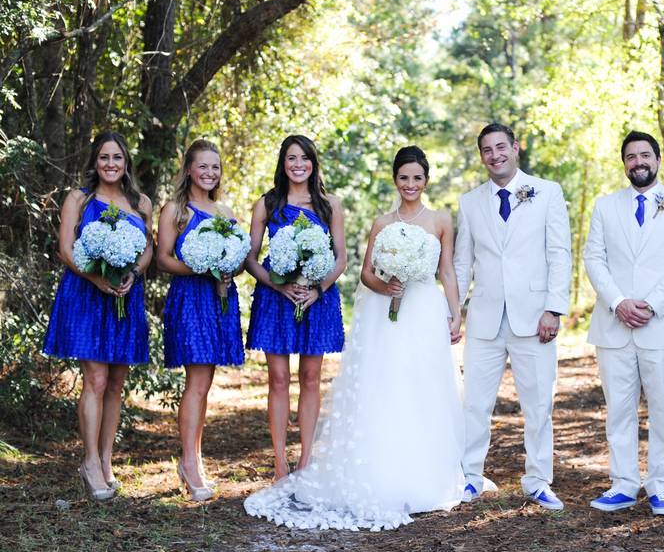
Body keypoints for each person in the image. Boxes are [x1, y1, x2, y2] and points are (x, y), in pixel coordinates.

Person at [244, 145, 465, 530]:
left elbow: (445, 271)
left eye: (417, 177)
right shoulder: (380, 222)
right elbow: (366, 274)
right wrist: (386, 285)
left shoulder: (440, 219)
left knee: (420, 385)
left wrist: (455, 311)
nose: (410, 184)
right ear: (395, 180)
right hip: (298, 299)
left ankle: (415, 466)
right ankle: (285, 464)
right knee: (292, 381)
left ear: (426, 180)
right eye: (403, 177)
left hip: (421, 311)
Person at [454, 123, 572, 510]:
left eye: (501, 147)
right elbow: (462, 262)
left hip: (535, 317)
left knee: (538, 404)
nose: (495, 155)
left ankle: (538, 480)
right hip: (485, 317)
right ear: (482, 156)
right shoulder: (470, 202)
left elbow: (559, 253)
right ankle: (470, 476)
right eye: (487, 150)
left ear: (515, 148)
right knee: (474, 403)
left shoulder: (548, 192)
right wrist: (453, 312)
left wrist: (554, 308)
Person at [583, 131, 664, 516]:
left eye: (644, 155)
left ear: (658, 159)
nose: (638, 162)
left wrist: (649, 305)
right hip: (614, 323)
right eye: (631, 157)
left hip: (661, 324)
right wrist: (618, 303)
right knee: (619, 408)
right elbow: (594, 259)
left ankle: (661, 485)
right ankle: (623, 483)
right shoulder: (605, 206)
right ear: (624, 163)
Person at [43, 130, 153, 501]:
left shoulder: (141, 202)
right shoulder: (79, 198)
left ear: (126, 164)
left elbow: (148, 250)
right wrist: (97, 278)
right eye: (104, 157)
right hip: (88, 294)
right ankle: (89, 462)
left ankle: (107, 460)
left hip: (125, 294)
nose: (110, 164)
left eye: (117, 158)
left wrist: (132, 275)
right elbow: (65, 248)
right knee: (96, 379)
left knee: (117, 383)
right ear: (95, 162)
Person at [246, 135, 346, 480]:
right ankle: (279, 461)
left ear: (313, 162)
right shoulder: (268, 204)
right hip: (277, 299)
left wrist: (318, 288)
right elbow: (250, 257)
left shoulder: (329, 204)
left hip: (317, 299)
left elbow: (341, 257)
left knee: (311, 378)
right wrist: (278, 284)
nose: (298, 164)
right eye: (291, 158)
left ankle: (305, 460)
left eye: (304, 158)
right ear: (283, 163)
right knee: (277, 379)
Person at [157, 139, 244, 502]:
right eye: (203, 166)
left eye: (215, 167)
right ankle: (189, 463)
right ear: (189, 169)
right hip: (191, 299)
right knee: (195, 382)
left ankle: (194, 457)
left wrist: (227, 268)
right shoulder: (176, 210)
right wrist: (200, 267)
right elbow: (162, 259)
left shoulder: (224, 212)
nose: (210, 173)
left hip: (219, 299)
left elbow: (239, 259)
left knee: (205, 383)